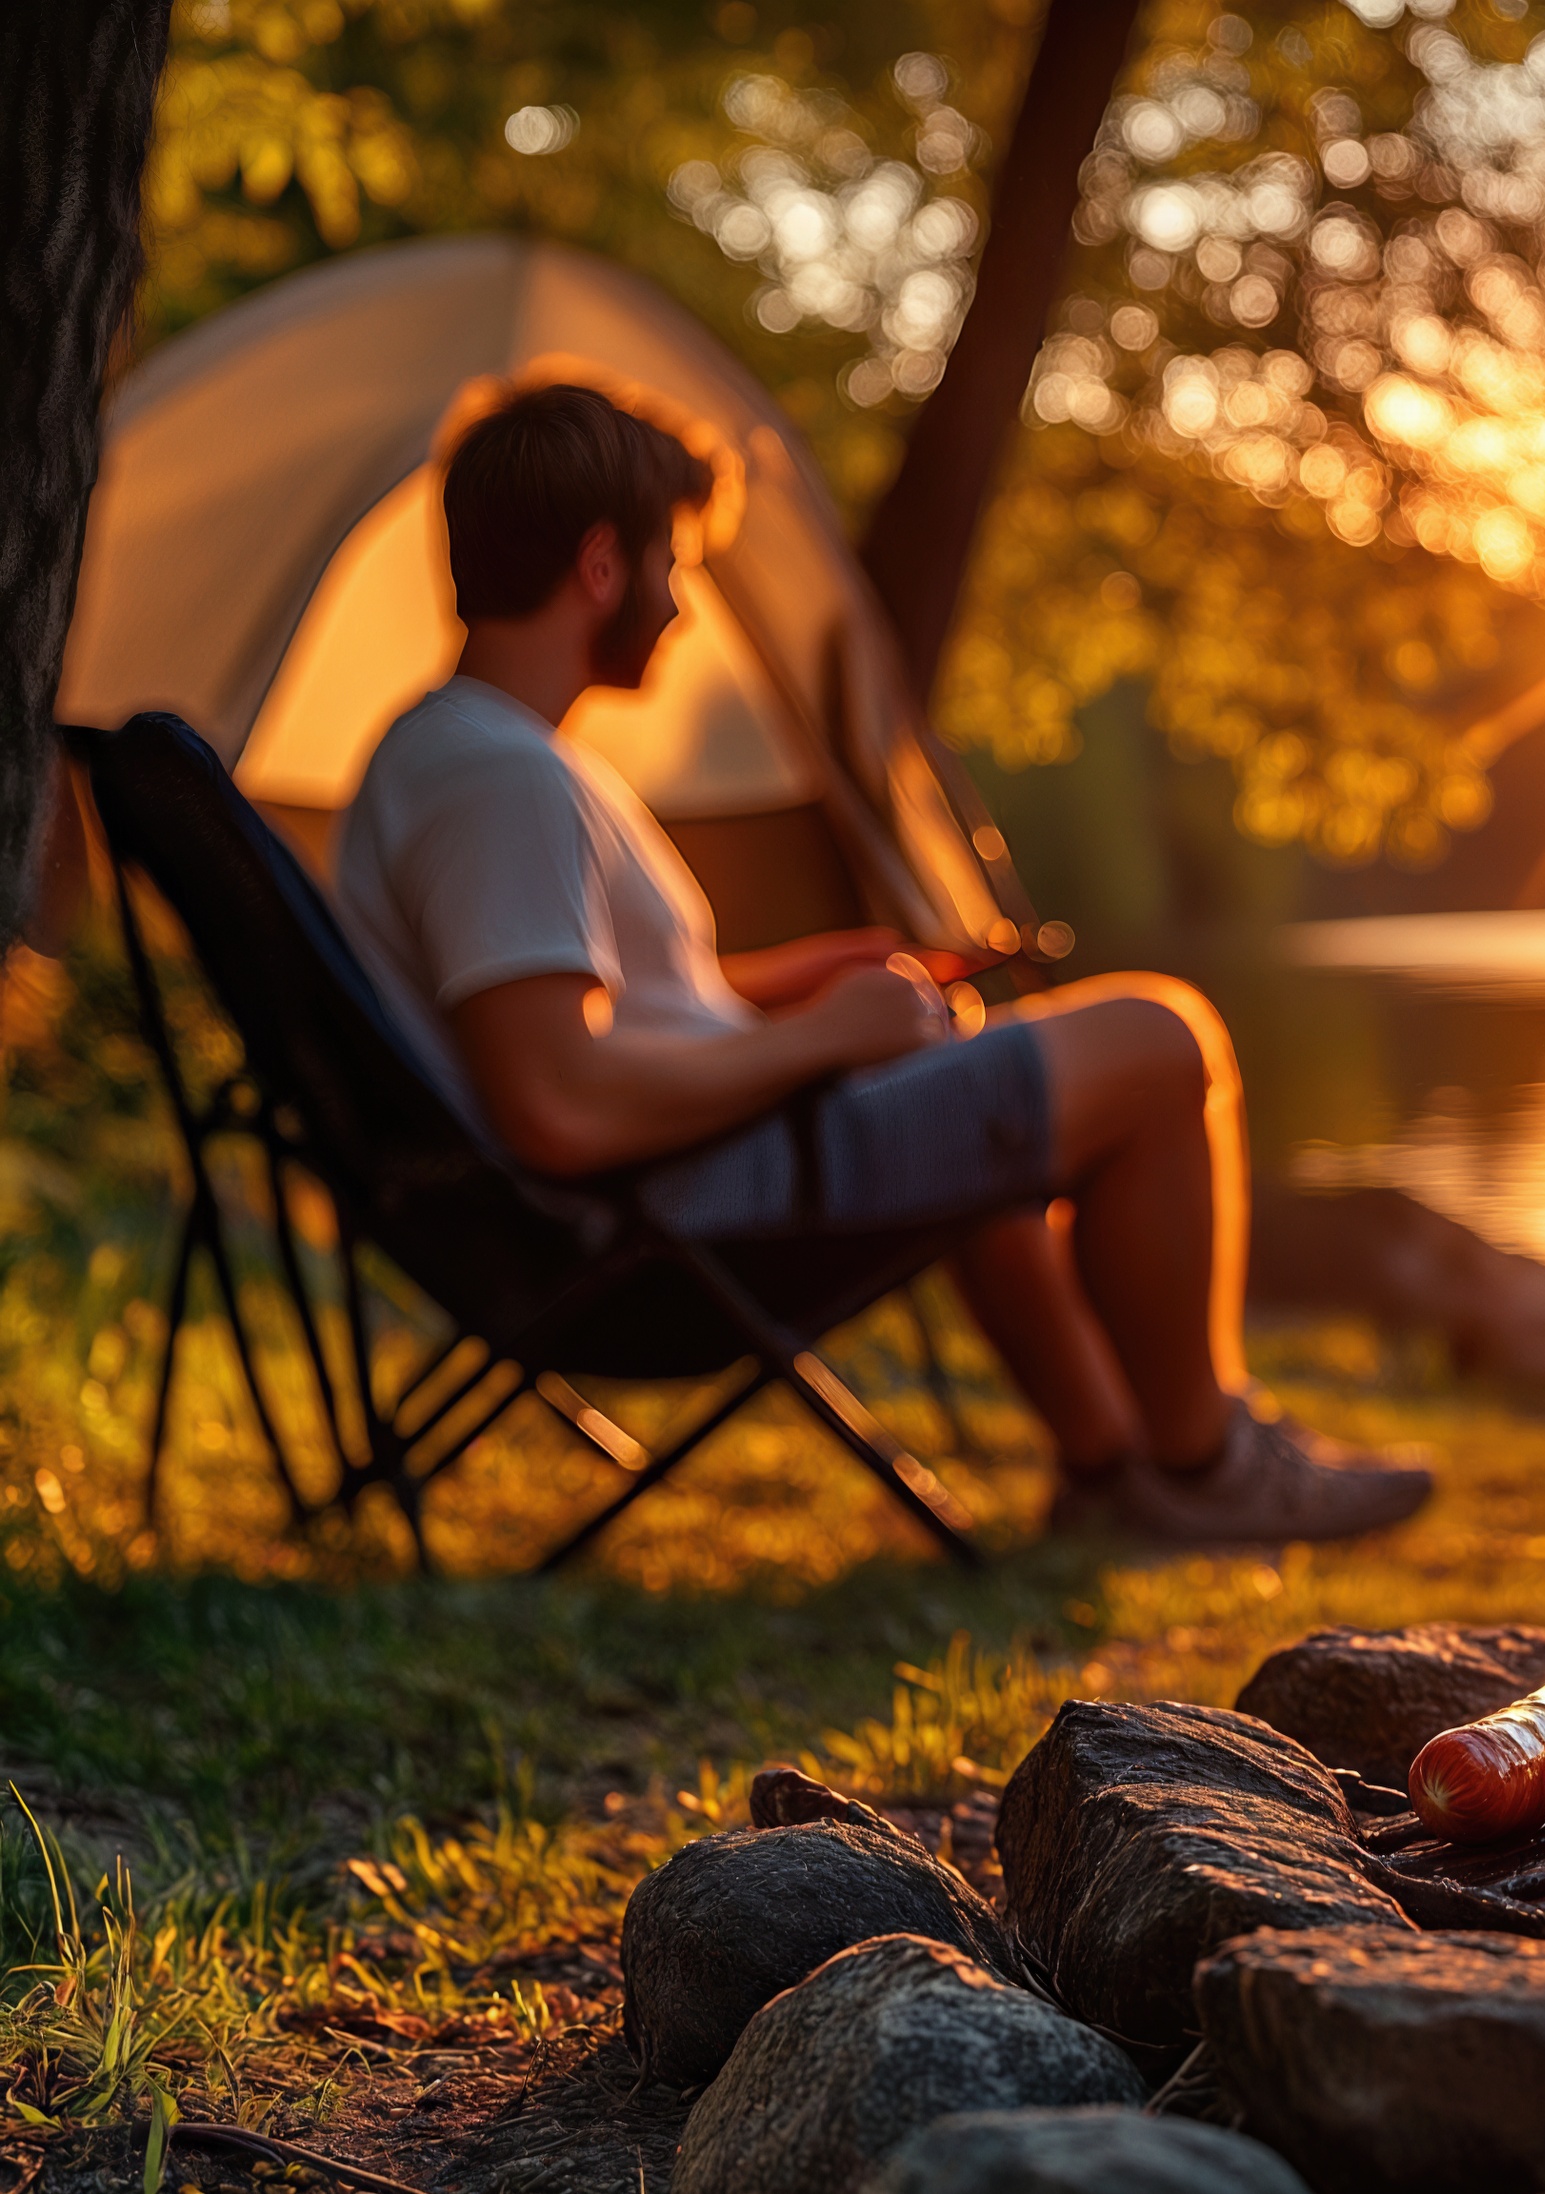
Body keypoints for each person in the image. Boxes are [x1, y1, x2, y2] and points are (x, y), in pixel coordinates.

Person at [333, 382, 1431, 1545]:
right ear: (602, 565)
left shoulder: (463, 755)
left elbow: (606, 1019)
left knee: (960, 1057)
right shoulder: (499, 780)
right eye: (674, 563)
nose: (681, 606)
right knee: (1161, 1040)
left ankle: (1116, 1470)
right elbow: (558, 1103)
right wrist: (823, 1037)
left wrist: (811, 979)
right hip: (676, 1219)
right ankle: (1209, 1466)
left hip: (687, 1177)